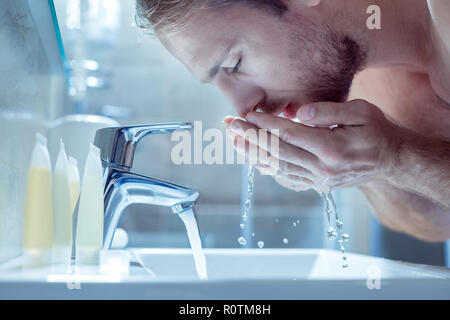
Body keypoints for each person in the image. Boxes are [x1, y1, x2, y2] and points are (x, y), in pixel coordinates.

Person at [135, 0, 450, 242]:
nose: (244, 108)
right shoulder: (365, 81)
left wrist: (397, 157)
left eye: (235, 63)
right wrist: (353, 165)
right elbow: (435, 223)